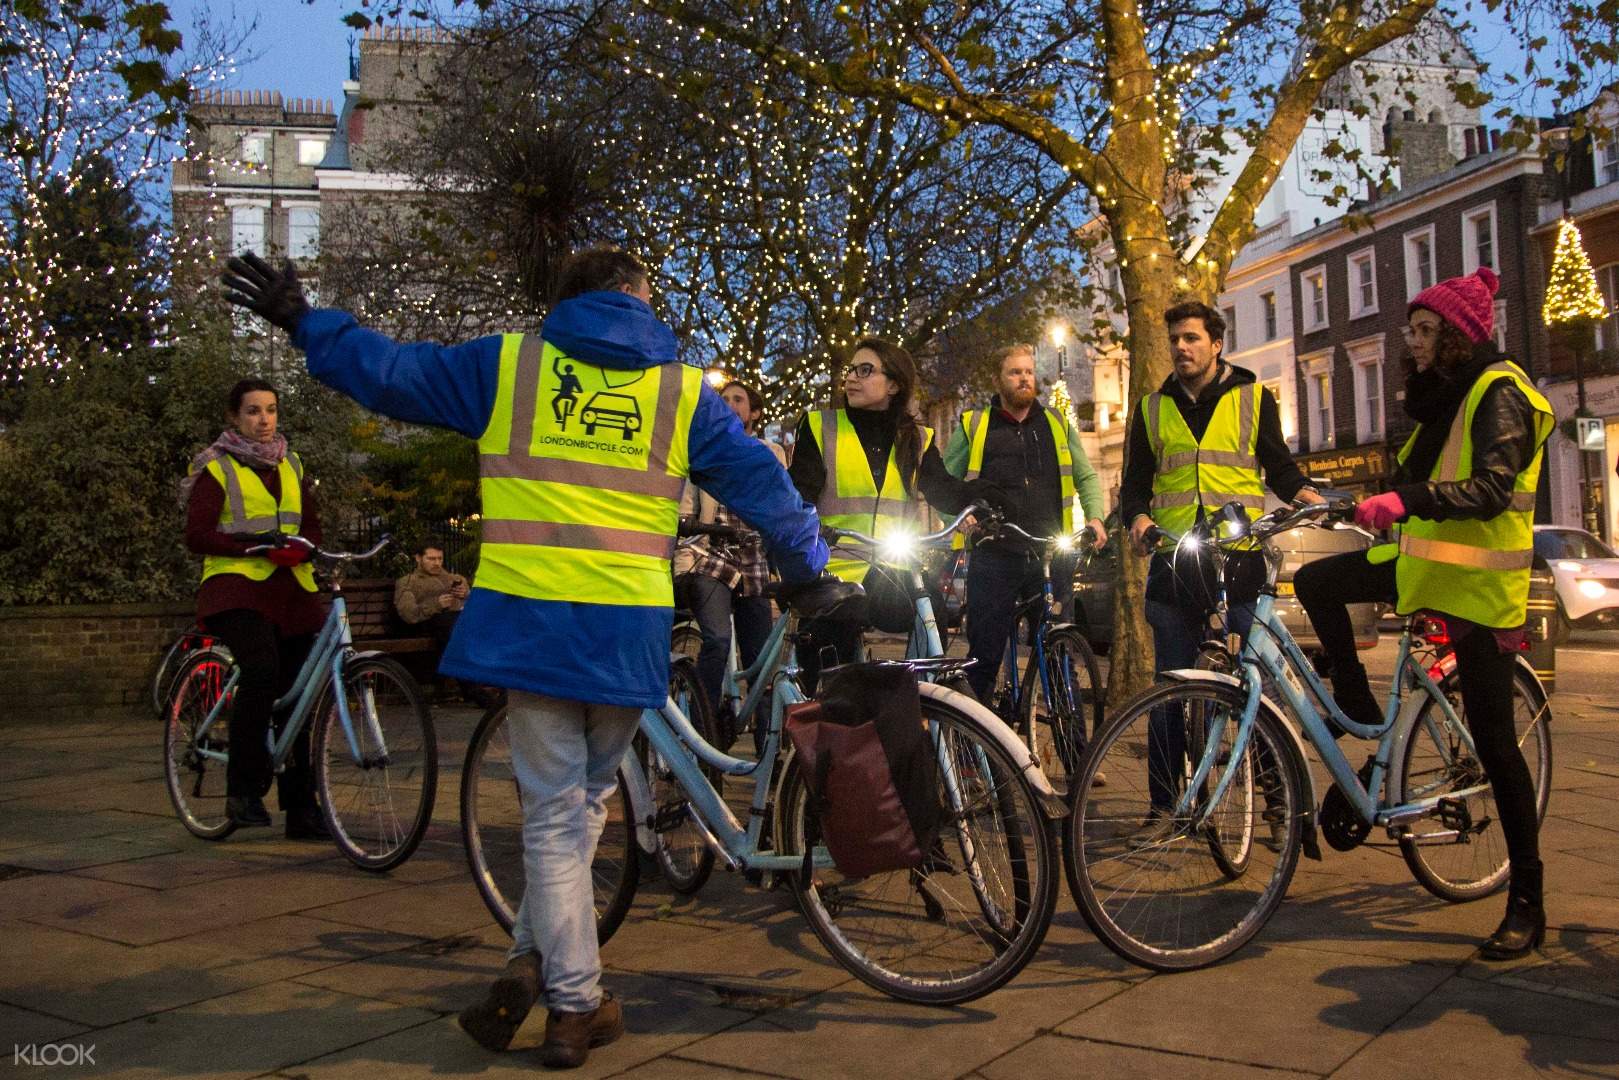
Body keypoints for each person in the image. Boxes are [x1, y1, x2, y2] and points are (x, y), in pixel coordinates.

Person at [221, 247, 827, 1069]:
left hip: (531, 622)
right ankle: (531, 964)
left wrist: (305, 321)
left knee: (553, 814)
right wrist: (808, 569)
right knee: (582, 806)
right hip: (626, 628)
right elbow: (761, 481)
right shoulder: (682, 392)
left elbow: (390, 373)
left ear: (568, 297)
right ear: (633, 299)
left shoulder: (506, 366)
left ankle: (572, 1001)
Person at [1294, 268, 1553, 960]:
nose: (1411, 344)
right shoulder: (1445, 400)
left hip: (1477, 590)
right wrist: (1341, 505)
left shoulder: (1501, 394)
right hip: (1421, 566)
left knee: (1496, 746)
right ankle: (1353, 695)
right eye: (1410, 330)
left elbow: (1491, 489)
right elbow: (1410, 481)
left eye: (1423, 331)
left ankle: (1526, 901)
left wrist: (1405, 503)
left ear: (1458, 337)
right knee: (1317, 581)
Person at [1120, 301, 1323, 834]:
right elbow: (1135, 486)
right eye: (1175, 340)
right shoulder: (1149, 409)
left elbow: (1279, 466)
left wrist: (1306, 494)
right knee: (1169, 685)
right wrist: (1138, 520)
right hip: (1175, 561)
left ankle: (1277, 799)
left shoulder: (1255, 398)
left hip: (1240, 561)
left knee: (1258, 682)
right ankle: (1165, 805)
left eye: (1191, 338)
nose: (1181, 348)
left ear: (1216, 344)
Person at [180, 378, 330, 841]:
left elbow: (312, 525)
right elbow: (197, 534)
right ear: (233, 417)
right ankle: (243, 792)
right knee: (262, 669)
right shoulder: (216, 468)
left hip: (289, 588)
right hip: (235, 586)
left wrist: (305, 549)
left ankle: (301, 808)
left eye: (270, 410)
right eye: (252, 411)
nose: (264, 420)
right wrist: (250, 546)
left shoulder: (292, 462)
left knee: (299, 694)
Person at [787, 337, 972, 686]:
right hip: (833, 570)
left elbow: (943, 489)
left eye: (865, 370)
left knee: (930, 605)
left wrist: (981, 500)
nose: (852, 378)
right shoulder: (819, 426)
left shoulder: (917, 438)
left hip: (891, 570)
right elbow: (800, 495)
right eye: (851, 370)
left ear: (894, 384)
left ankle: (922, 694)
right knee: (829, 681)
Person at [942, 343, 1108, 704]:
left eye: (1029, 372)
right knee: (983, 655)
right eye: (1015, 372)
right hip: (994, 555)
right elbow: (943, 484)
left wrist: (1095, 516)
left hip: (1050, 555)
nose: (1024, 379)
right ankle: (977, 750)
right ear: (999, 380)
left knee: (1057, 653)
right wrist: (958, 518)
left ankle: (1073, 747)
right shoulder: (975, 424)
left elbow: (1086, 476)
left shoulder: (1057, 423)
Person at [674, 379, 783, 728]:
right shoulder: (702, 451)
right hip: (712, 556)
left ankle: (768, 741)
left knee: (761, 658)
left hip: (754, 560)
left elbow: (781, 504)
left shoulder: (770, 453)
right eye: (725, 400)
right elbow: (685, 510)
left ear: (755, 412)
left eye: (739, 399)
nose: (731, 404)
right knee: (718, 640)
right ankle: (700, 725)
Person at [393, 543, 487, 706]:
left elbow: (476, 607)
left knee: (465, 623)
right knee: (448, 623)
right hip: (428, 625)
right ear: (418, 558)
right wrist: (436, 605)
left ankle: (481, 686)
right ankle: (472, 688)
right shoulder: (409, 582)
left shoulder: (455, 579)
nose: (436, 563)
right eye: (431, 558)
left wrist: (466, 595)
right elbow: (409, 614)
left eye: (440, 558)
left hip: (456, 625)